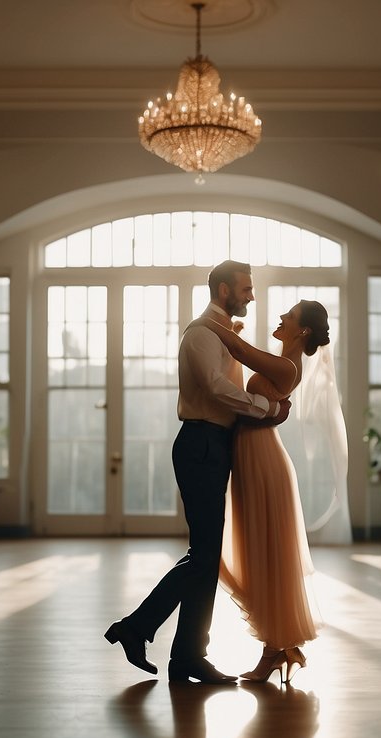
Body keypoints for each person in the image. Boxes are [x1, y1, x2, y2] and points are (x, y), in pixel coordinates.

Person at [105, 260, 291, 684]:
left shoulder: (223, 334)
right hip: (201, 443)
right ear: (223, 290)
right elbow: (215, 387)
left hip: (214, 445)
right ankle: (138, 629)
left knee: (205, 558)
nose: (251, 295)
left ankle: (186, 655)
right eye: (245, 288)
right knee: (203, 556)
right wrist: (268, 409)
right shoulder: (202, 333)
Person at [199, 300, 332, 684]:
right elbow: (242, 372)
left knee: (264, 555)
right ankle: (281, 649)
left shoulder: (288, 366)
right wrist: (229, 336)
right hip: (250, 458)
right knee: (255, 552)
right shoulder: (281, 362)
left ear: (302, 331)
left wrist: (207, 325)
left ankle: (274, 652)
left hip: (262, 463)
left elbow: (241, 353)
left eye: (288, 317)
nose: (280, 318)